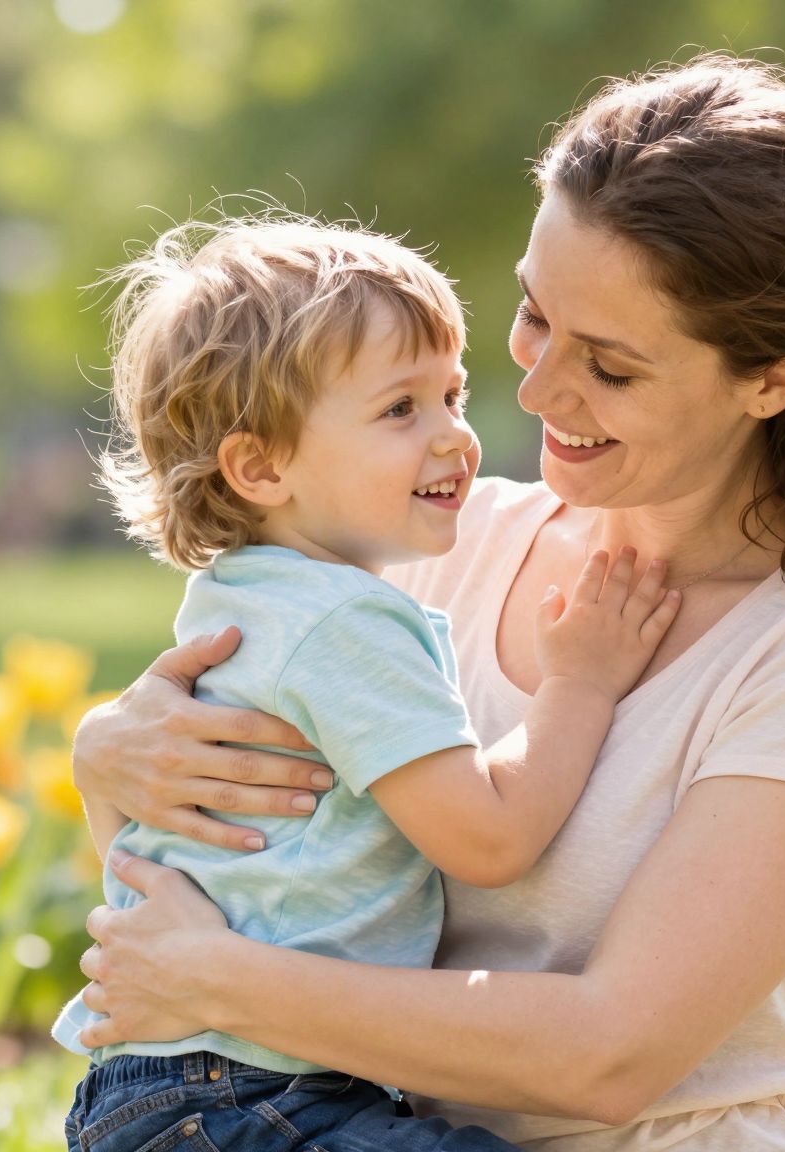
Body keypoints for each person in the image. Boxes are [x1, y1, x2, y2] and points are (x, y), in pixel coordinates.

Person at [69, 55, 785, 1150]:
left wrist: (219, 986)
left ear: (771, 378)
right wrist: (109, 757)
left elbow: (607, 1054)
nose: (533, 388)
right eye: (534, 316)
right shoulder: (427, 547)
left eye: (610, 368)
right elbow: (229, 869)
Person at [53, 218, 681, 1152]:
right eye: (401, 410)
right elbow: (490, 835)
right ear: (261, 465)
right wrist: (580, 684)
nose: (455, 438)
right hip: (250, 1094)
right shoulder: (344, 622)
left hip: (187, 1086)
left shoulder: (251, 595)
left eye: (452, 395)